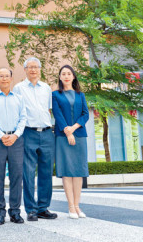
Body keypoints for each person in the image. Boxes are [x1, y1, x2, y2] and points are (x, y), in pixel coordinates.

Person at [13, 57, 57, 221]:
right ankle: (31, 209)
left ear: (40, 69)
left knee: (46, 172)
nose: (33, 70)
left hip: (46, 133)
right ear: (25, 70)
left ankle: (43, 207)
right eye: (30, 67)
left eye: (36, 67)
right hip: (28, 132)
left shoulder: (46, 88)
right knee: (29, 172)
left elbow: (49, 110)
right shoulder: (18, 88)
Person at [0, 67, 27, 226]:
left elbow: (23, 118)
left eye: (6, 76)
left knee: (17, 176)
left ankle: (15, 212)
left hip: (16, 140)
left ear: (11, 78)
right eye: (0, 76)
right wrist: (1, 135)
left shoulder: (19, 98)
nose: (4, 79)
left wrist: (15, 135)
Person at [51, 65, 90, 219]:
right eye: (63, 74)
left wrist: (73, 128)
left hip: (79, 134)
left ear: (73, 77)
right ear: (60, 77)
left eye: (69, 73)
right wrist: (67, 131)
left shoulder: (81, 95)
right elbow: (57, 114)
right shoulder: (55, 95)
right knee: (67, 172)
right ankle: (71, 207)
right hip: (62, 136)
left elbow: (85, 114)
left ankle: (78, 206)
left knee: (79, 172)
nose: (66, 76)